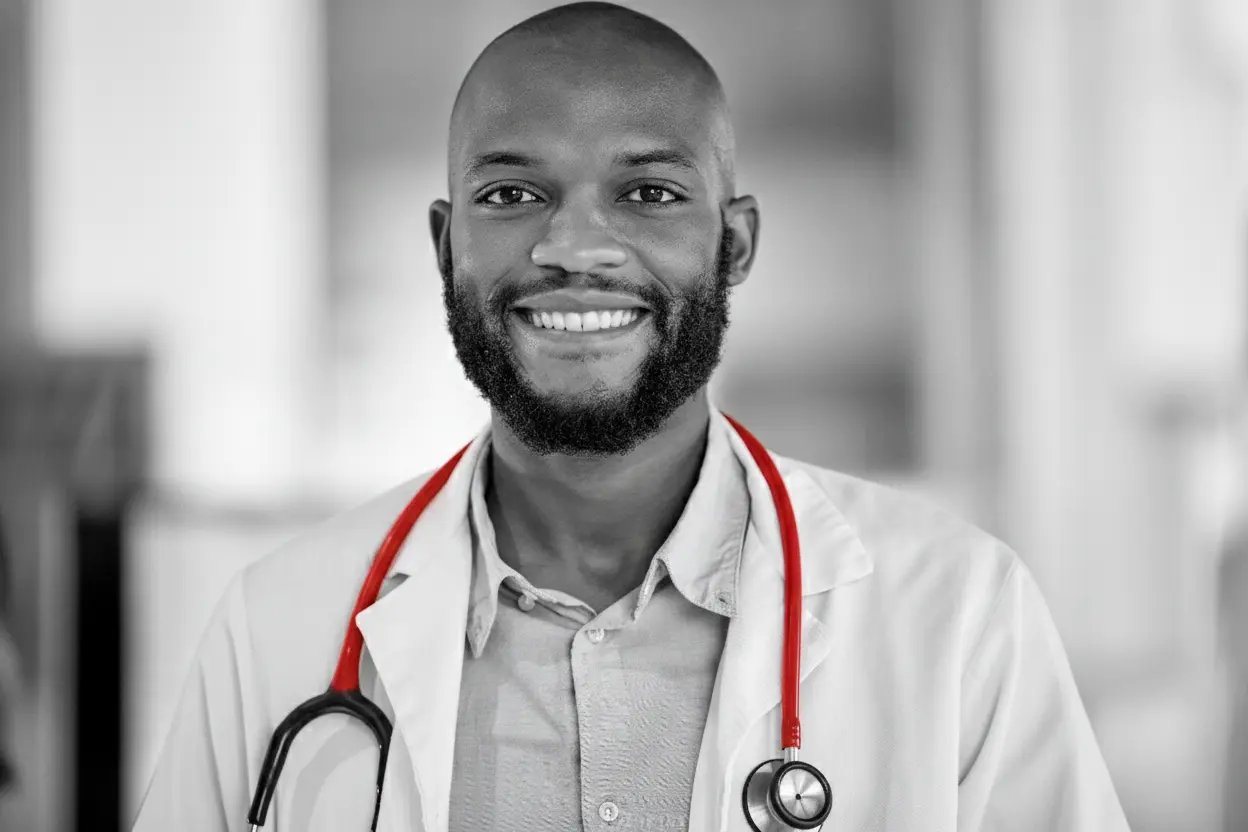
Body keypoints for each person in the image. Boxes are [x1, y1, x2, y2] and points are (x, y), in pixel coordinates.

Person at [132, 4, 1131, 830]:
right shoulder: (278, 627)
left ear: (735, 244)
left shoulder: (958, 614)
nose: (575, 247)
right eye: (512, 192)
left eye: (648, 192)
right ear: (446, 246)